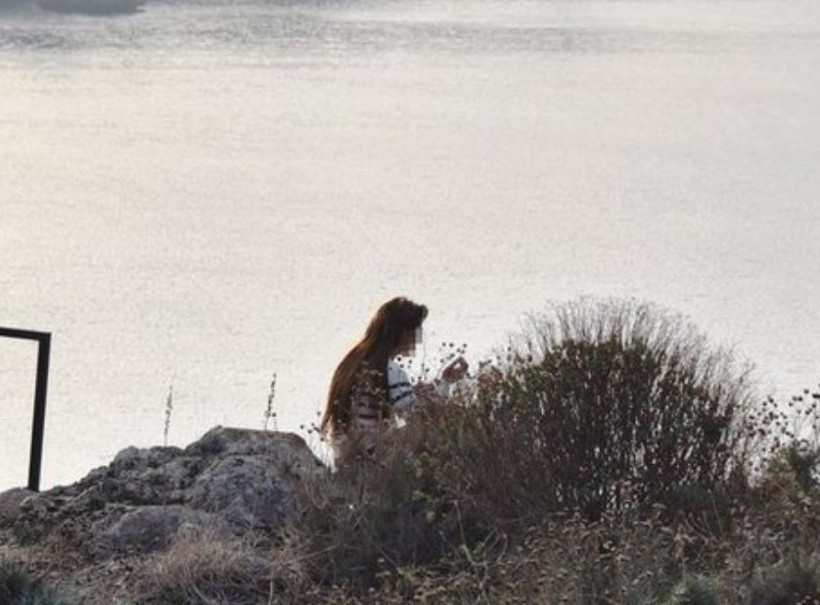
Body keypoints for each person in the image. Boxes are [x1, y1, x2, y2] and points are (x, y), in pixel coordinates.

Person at [320, 296, 468, 466]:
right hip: (372, 456)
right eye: (416, 332)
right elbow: (417, 417)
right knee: (449, 414)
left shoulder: (353, 362)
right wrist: (444, 388)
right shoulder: (390, 369)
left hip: (346, 454)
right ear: (403, 334)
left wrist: (431, 386)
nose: (418, 341)